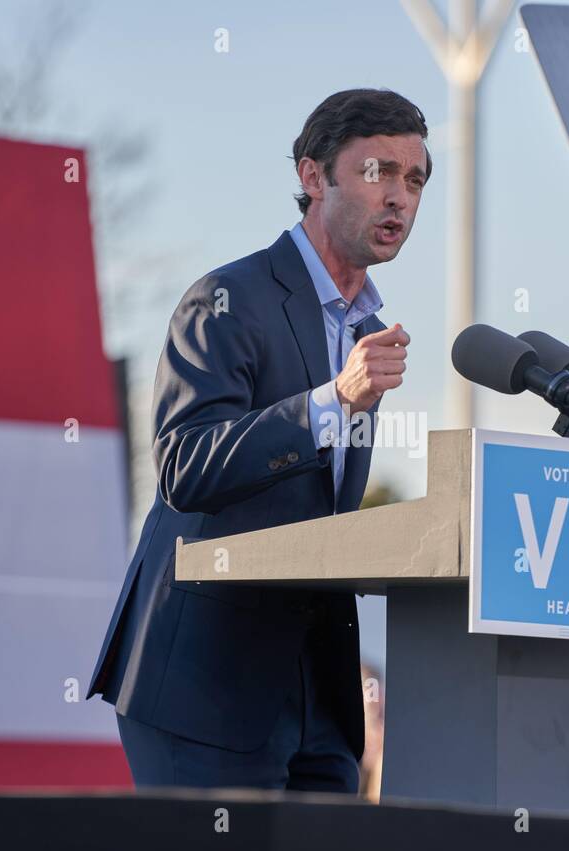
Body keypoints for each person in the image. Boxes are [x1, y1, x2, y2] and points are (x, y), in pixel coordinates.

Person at [85, 89, 430, 792]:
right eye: (379, 172)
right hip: (204, 687)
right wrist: (332, 401)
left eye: (415, 179)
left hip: (319, 704)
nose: (399, 197)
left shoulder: (364, 333)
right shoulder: (226, 300)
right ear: (313, 177)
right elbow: (185, 465)